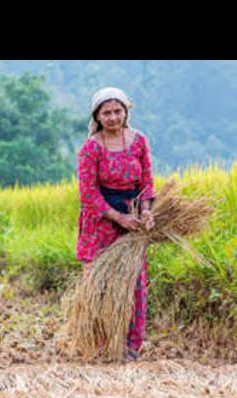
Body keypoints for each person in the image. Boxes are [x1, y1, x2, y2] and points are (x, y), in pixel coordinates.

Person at [76, 87, 156, 361]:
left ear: (126, 112)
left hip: (133, 222)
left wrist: (145, 211)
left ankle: (130, 346)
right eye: (106, 112)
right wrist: (118, 216)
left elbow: (147, 182)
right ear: (97, 116)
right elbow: (88, 194)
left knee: (134, 282)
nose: (113, 117)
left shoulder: (139, 141)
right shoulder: (91, 148)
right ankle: (100, 344)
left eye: (118, 111)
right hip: (101, 222)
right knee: (101, 284)